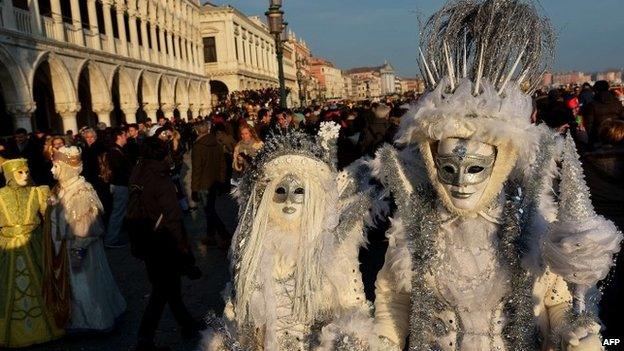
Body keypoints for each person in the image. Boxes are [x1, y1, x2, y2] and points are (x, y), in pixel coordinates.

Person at [350, 1, 620, 350]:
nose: (461, 182)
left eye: (475, 167)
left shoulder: (533, 222)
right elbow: (394, 301)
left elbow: (557, 301)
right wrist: (383, 342)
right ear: (432, 163)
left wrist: (573, 333)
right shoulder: (415, 226)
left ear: (501, 162)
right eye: (448, 168)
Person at [200, 125, 371, 350]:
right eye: (281, 191)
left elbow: (354, 308)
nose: (289, 202)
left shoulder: (333, 246)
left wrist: (349, 340)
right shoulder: (250, 247)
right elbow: (236, 307)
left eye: (299, 192)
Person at [128, 137, 204, 351]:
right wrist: (184, 249)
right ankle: (144, 339)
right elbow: (172, 218)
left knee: (169, 288)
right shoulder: (160, 179)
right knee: (162, 291)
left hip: (146, 239)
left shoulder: (138, 171)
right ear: (163, 154)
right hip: (163, 242)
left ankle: (186, 323)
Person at [49, 146, 126, 331]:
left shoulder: (81, 191)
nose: (52, 170)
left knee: (85, 283)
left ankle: (92, 321)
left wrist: (77, 251)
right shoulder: (62, 188)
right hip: (65, 248)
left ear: (67, 167)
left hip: (79, 249)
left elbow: (86, 228)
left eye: (56, 166)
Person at [0, 159, 64, 347]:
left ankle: (46, 328)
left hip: (33, 245)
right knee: (6, 286)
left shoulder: (38, 192)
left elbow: (51, 216)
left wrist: (55, 203)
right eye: (19, 172)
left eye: (26, 172)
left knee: (41, 281)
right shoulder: (1, 195)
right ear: (9, 175)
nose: (25, 175)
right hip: (7, 248)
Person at [191, 123, 229, 248]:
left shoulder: (198, 146)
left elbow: (197, 169)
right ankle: (210, 235)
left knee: (210, 211)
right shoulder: (217, 144)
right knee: (210, 209)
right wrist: (221, 181)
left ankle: (224, 235)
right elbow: (223, 165)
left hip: (203, 183)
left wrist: (194, 189)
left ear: (197, 131)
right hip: (215, 182)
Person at [105, 128, 131, 248]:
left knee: (122, 211)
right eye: (125, 135)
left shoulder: (118, 150)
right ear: (119, 136)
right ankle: (111, 239)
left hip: (122, 185)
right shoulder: (114, 152)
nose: (127, 137)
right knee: (118, 212)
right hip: (120, 185)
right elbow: (119, 171)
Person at [584, 80, 624, 148]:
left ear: (596, 90)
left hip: (600, 138)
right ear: (608, 88)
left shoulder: (592, 105)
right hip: (617, 136)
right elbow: (622, 119)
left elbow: (589, 125)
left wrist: (591, 143)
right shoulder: (617, 103)